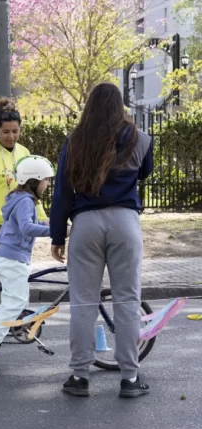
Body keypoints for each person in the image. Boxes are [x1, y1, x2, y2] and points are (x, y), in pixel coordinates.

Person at [50, 83, 153, 399]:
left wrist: (57, 236)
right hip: (125, 223)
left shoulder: (75, 141)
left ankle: (79, 377)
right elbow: (144, 173)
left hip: (86, 224)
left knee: (83, 301)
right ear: (121, 106)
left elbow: (62, 192)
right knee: (126, 301)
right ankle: (130, 378)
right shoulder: (141, 140)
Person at [0, 156, 55, 377]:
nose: (47, 184)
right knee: (13, 305)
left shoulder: (21, 199)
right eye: (46, 180)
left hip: (10, 257)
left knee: (15, 303)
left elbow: (30, 224)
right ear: (34, 180)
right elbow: (28, 228)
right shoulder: (26, 201)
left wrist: (53, 224)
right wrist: (56, 232)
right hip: (12, 259)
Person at [0, 98, 48, 306]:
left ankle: (12, 320)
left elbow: (32, 191)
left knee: (17, 273)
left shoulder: (24, 154)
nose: (11, 136)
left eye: (15, 131)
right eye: (6, 131)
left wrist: (42, 218)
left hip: (20, 224)